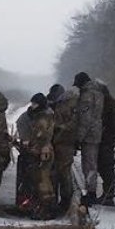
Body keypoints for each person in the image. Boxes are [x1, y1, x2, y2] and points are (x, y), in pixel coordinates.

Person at [73, 72, 105, 204]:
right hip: (95, 132)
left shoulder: (87, 96)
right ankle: (91, 191)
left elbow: (85, 119)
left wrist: (78, 138)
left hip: (89, 135)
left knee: (89, 165)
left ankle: (91, 193)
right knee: (91, 164)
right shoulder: (98, 93)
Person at [48, 84, 79, 214]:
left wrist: (59, 128)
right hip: (62, 143)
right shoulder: (68, 106)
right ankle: (60, 200)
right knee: (60, 173)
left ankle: (64, 201)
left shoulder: (65, 107)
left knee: (62, 173)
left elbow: (72, 125)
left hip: (63, 143)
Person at [27, 93, 56, 220]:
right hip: (43, 150)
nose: (32, 106)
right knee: (43, 180)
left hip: (43, 152)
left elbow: (42, 137)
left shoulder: (43, 118)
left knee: (43, 181)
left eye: (34, 104)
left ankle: (45, 210)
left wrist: (34, 148)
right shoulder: (46, 115)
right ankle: (45, 209)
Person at [97, 84, 115, 206]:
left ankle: (108, 195)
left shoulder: (110, 105)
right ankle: (107, 193)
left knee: (106, 167)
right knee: (103, 167)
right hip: (103, 140)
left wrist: (109, 138)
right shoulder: (108, 104)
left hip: (106, 141)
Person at [15, 107, 34, 210]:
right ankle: (25, 201)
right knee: (25, 178)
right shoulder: (24, 119)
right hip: (28, 153)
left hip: (37, 151)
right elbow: (24, 136)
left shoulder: (45, 116)